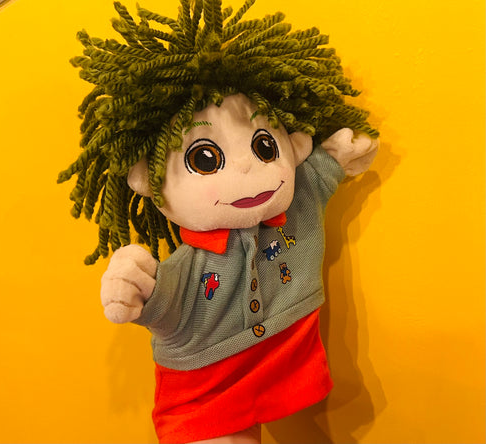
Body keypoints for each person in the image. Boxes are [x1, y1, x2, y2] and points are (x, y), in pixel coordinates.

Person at [59, 1, 379, 442]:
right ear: (150, 179)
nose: (247, 167)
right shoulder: (188, 268)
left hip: (286, 361)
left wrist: (337, 156)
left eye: (265, 146)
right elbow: (166, 302)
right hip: (206, 385)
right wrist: (140, 285)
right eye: (205, 158)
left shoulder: (299, 200)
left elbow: (317, 175)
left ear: (292, 145)